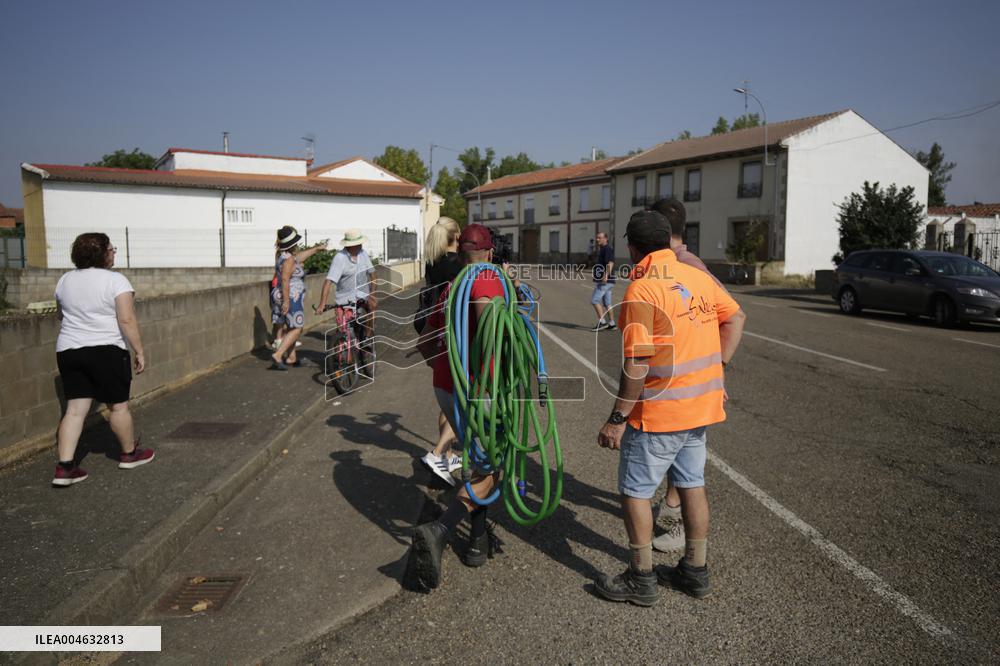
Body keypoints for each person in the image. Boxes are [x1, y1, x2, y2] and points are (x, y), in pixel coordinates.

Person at [593, 209, 745, 606]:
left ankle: (641, 577)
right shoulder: (696, 277)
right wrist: (719, 368)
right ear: (669, 240)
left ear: (631, 247)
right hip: (701, 409)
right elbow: (736, 317)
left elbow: (638, 361)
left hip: (660, 415)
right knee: (692, 484)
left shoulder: (642, 291)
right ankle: (695, 570)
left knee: (635, 492)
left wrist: (617, 419)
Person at [410, 224, 506, 589]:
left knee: (478, 459)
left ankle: (477, 543)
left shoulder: (452, 286)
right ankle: (441, 529)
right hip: (479, 393)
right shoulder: (486, 283)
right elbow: (492, 337)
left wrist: (446, 370)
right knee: (490, 469)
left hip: (446, 388)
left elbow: (425, 343)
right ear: (490, 253)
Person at [645, 197, 729, 552]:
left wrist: (717, 366)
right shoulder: (670, 262)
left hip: (685, 388)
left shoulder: (688, 265)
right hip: (678, 385)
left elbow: (733, 316)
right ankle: (673, 517)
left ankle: (673, 518)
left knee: (683, 471)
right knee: (684, 466)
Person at [52, 232, 154, 486]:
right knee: (118, 406)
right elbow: (126, 319)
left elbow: (61, 316)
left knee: (75, 410)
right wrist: (139, 350)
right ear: (103, 253)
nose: (114, 252)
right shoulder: (116, 281)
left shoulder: (64, 280)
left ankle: (65, 468)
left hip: (69, 349)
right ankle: (129, 454)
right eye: (112, 249)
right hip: (107, 349)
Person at [418, 217, 463, 484]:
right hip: (452, 335)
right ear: (456, 235)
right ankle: (438, 453)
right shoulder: (457, 266)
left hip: (433, 333)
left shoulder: (432, 262)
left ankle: (444, 456)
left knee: (447, 394)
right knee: (464, 401)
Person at [269, 226, 328, 370]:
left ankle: (291, 357)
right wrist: (287, 301)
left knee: (290, 326)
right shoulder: (289, 260)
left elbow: (299, 257)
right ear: (292, 244)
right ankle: (278, 354)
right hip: (290, 296)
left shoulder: (282, 255)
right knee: (297, 328)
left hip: (279, 294)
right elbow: (284, 279)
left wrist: (316, 249)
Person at [315, 228, 378, 335]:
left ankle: (368, 337)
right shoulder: (340, 258)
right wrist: (322, 304)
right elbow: (328, 281)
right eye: (358, 243)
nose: (361, 245)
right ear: (350, 245)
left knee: (372, 308)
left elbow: (373, 275)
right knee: (343, 330)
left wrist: (372, 294)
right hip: (345, 298)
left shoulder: (363, 254)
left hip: (363, 295)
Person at [590, 231, 616, 331]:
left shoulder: (607, 249)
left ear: (606, 239)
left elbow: (610, 263)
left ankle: (602, 322)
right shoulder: (603, 249)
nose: (597, 240)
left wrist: (605, 276)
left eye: (600, 238)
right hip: (609, 282)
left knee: (594, 300)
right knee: (607, 303)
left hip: (605, 281)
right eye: (597, 238)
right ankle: (612, 323)